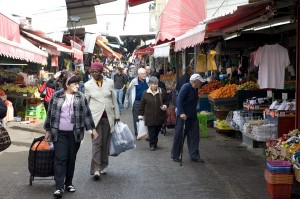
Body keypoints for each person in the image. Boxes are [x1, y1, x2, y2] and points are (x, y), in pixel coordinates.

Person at [44, 71, 98, 198]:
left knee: (71, 158)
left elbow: (87, 114)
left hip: (75, 133)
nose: (77, 86)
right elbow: (50, 114)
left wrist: (93, 129)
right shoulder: (56, 96)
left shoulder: (81, 97)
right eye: (74, 84)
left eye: (78, 84)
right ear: (67, 84)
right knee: (60, 158)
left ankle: (69, 183)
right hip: (59, 133)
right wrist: (47, 130)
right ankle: (59, 187)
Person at [84, 62, 120, 180]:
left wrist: (117, 116)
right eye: (92, 72)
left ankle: (104, 165)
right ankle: (96, 169)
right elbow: (85, 103)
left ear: (101, 71)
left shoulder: (109, 82)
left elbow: (114, 100)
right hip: (95, 119)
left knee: (105, 143)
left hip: (108, 117)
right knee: (96, 143)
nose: (94, 73)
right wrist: (86, 120)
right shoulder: (87, 85)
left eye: (97, 71)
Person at [171, 73, 206, 164]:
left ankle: (194, 156)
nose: (201, 84)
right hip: (184, 116)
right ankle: (175, 155)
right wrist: (181, 113)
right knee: (180, 135)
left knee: (194, 136)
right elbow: (179, 100)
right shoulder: (186, 87)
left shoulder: (195, 89)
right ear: (195, 82)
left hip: (193, 116)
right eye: (199, 82)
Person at [138, 76, 168, 151]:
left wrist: (165, 106)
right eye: (154, 84)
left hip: (159, 115)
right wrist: (140, 115)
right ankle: (152, 144)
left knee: (157, 130)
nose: (156, 85)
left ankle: (155, 142)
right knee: (151, 131)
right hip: (149, 116)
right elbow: (142, 104)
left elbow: (166, 101)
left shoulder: (162, 91)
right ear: (150, 84)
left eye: (157, 84)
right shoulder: (145, 93)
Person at [124, 68, 149, 137]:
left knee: (147, 117)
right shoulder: (134, 81)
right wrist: (126, 103)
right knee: (136, 118)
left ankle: (146, 132)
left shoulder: (148, 80)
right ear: (139, 75)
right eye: (142, 74)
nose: (144, 75)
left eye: (145, 73)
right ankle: (137, 132)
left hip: (147, 102)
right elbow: (128, 92)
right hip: (137, 102)